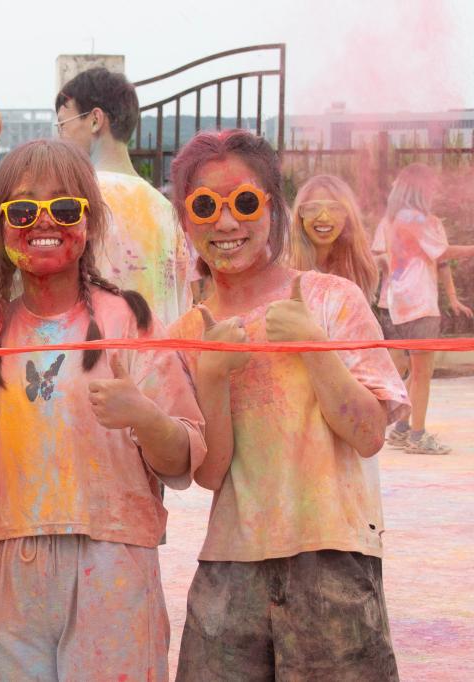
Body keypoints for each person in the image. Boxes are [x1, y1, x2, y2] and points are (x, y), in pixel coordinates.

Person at [165, 130, 409, 681]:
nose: (226, 222)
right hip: (229, 565)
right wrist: (212, 379)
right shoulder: (188, 332)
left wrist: (314, 347)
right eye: (205, 207)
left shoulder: (330, 298)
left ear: (273, 207)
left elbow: (369, 434)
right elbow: (210, 474)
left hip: (334, 556)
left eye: (244, 202)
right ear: (185, 220)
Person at [0, 138, 205, 679]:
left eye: (64, 206)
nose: (43, 221)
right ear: (0, 226)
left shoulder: (129, 321)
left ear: (90, 221)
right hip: (10, 566)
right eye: (22, 209)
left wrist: (145, 416)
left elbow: (184, 460)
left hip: (113, 560)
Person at [55, 67, 192, 326]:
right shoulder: (164, 208)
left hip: (93, 348)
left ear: (95, 120)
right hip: (158, 348)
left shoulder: (73, 202)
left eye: (63, 125)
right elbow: (182, 302)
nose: (60, 136)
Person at [372, 163, 474, 455]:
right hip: (420, 306)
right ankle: (417, 435)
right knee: (422, 375)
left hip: (395, 305)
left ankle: (402, 427)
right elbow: (443, 253)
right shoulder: (422, 220)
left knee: (412, 372)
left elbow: (435, 259)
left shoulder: (391, 221)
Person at [288, 174, 379, 302]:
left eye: (334, 208)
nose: (324, 217)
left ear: (348, 215)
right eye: (313, 209)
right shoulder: (284, 271)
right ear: (300, 215)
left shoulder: (357, 268)